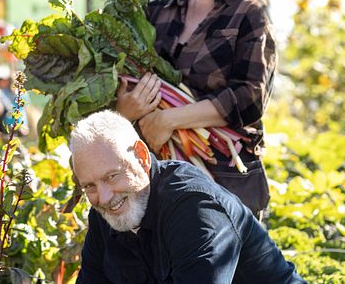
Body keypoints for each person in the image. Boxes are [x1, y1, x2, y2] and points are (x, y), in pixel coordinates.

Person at [117, 0, 276, 216]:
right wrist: (124, 110)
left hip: (224, 177)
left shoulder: (249, 14)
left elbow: (250, 97)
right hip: (153, 172)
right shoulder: (154, 12)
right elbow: (121, 80)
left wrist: (169, 120)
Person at [70, 110, 303, 283]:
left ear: (141, 157)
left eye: (112, 176)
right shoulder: (105, 212)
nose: (103, 196)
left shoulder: (194, 208)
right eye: (89, 186)